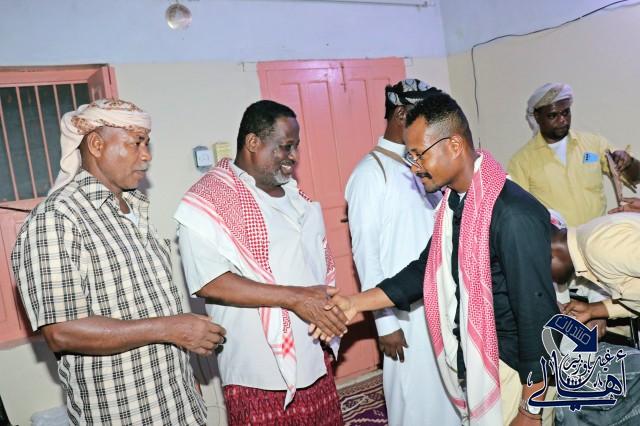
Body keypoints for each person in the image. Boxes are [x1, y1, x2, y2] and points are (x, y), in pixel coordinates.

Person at [315, 91, 560, 425]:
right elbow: (425, 269)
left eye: (420, 155)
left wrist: (530, 409)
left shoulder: (512, 213)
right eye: (410, 156)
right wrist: (355, 303)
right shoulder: (457, 205)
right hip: (479, 364)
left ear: (454, 146)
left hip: (514, 375)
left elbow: (538, 319)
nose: (415, 167)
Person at [11, 99, 225, 425]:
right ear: (97, 145)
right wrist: (172, 329)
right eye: (136, 143)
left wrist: (184, 378)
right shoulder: (56, 218)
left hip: (178, 407)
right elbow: (62, 332)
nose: (147, 155)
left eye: (147, 143)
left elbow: (149, 310)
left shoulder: (133, 210)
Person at [174, 100, 347, 425]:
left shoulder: (296, 197)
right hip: (258, 371)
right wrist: (296, 298)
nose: (294, 156)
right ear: (253, 142)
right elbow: (210, 281)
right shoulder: (208, 201)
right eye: (285, 146)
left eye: (296, 146)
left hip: (313, 354)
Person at [344, 79, 457, 425]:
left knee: (448, 394)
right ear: (401, 114)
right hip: (403, 313)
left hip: (438, 298)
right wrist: (385, 323)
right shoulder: (369, 173)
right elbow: (366, 256)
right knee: (413, 401)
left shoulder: (426, 163)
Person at [548, 211, 640, 426]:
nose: (546, 278)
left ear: (552, 253)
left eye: (542, 270)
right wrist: (595, 310)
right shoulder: (589, 251)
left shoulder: (600, 246)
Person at [508, 82, 640, 227]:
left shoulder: (593, 144)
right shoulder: (522, 161)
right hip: (557, 240)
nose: (562, 120)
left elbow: (635, 177)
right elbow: (518, 212)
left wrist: (628, 162)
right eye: (553, 115)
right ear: (537, 117)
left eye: (566, 112)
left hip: (597, 235)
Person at [551, 212, 640, 323]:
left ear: (550, 254)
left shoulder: (603, 246)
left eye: (541, 272)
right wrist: (593, 310)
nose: (548, 280)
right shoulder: (590, 249)